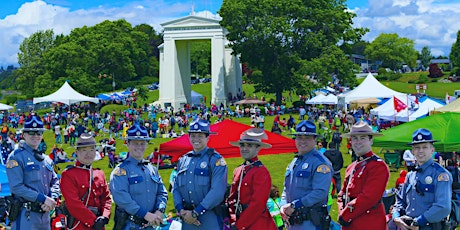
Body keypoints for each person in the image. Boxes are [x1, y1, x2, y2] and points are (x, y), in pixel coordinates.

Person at [6, 114, 60, 230]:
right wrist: (43, 198)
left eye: (39, 132)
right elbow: (17, 187)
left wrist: (53, 197)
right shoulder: (16, 157)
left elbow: (55, 181)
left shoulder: (45, 159)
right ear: (24, 134)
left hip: (45, 215)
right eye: (31, 132)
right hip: (26, 215)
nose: (35, 136)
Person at [110, 124, 168, 229]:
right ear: (127, 144)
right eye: (135, 143)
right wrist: (145, 214)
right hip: (131, 225)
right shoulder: (121, 171)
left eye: (142, 143)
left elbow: (162, 192)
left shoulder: (152, 169)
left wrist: (160, 210)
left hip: (152, 224)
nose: (139, 147)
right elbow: (122, 198)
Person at [172, 119, 228, 230]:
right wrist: (180, 210)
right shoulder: (183, 160)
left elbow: (217, 192)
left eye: (200, 136)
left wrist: (196, 213)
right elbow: (176, 188)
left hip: (208, 216)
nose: (196, 139)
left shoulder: (215, 160)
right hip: (186, 218)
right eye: (193, 135)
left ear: (208, 137)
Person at [392, 128, 452, 229]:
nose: (420, 151)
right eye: (417, 147)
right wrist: (396, 216)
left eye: (424, 147)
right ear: (412, 151)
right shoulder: (410, 175)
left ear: (432, 150)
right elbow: (400, 200)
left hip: (429, 226)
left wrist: (419, 221)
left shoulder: (440, 174)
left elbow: (443, 206)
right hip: (407, 226)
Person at [280, 120, 332, 230]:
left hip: (310, 222)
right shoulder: (295, 161)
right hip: (293, 221)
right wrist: (283, 205)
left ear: (315, 140)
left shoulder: (320, 163)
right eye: (299, 137)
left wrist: (295, 205)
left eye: (307, 138)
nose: (302, 141)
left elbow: (320, 192)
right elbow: (286, 188)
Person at [337, 121, 389, 230]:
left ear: (371, 140)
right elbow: (342, 194)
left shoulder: (378, 166)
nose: (358, 142)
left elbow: (369, 197)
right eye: (355, 138)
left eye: (363, 138)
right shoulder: (351, 167)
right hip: (349, 224)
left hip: (368, 223)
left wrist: (345, 215)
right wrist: (341, 212)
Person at [227, 128, 277, 230]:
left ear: (258, 148)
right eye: (242, 145)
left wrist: (239, 226)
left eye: (249, 145)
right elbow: (232, 199)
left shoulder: (261, 172)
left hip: (257, 223)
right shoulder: (238, 170)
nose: (244, 148)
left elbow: (257, 204)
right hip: (239, 220)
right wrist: (232, 219)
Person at [60, 133, 112, 229]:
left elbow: (107, 199)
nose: (88, 154)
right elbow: (73, 204)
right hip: (79, 224)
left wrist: (105, 216)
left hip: (99, 224)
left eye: (92, 150)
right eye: (84, 150)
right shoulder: (68, 174)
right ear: (77, 152)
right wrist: (93, 221)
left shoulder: (99, 173)